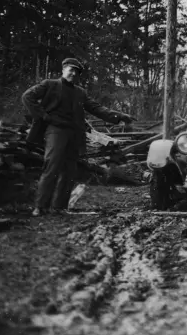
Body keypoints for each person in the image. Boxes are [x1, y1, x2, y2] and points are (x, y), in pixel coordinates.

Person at [22, 58, 135, 216]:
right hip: (55, 131)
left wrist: (120, 116)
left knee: (69, 171)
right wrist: (44, 117)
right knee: (52, 166)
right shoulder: (50, 84)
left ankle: (59, 208)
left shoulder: (80, 92)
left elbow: (97, 108)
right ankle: (40, 207)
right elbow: (27, 97)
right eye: (71, 69)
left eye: (77, 71)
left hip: (75, 134)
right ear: (63, 69)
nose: (73, 73)